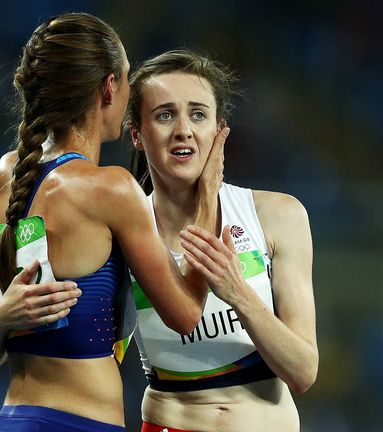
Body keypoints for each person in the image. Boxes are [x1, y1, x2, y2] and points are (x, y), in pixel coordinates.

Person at [0, 15, 229, 432]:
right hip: (79, 424)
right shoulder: (110, 189)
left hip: (12, 418)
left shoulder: (3, 177)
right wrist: (208, 194)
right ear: (109, 88)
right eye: (127, 81)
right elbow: (186, 314)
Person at [124, 49, 318, 432]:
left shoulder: (278, 214)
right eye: (165, 115)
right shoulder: (124, 231)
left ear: (218, 130)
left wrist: (237, 291)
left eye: (198, 114)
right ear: (136, 134)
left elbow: (302, 371)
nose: (184, 129)